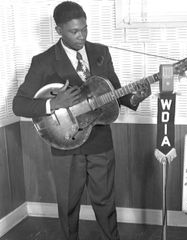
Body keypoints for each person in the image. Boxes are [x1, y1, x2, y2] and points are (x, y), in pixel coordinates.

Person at [12, 1, 151, 240]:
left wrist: (134, 97)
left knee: (105, 201)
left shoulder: (100, 52)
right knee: (68, 204)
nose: (81, 36)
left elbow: (114, 91)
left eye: (84, 29)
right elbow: (19, 104)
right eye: (74, 31)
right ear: (58, 30)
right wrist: (53, 104)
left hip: (100, 140)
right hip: (66, 142)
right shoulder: (43, 61)